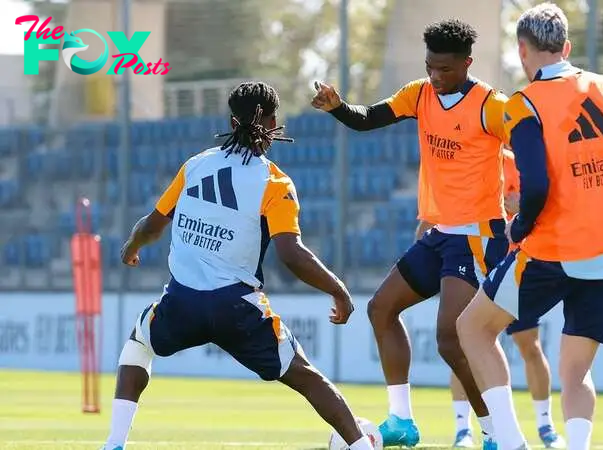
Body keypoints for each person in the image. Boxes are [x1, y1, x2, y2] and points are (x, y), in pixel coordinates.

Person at [100, 81, 373, 450]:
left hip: (181, 303)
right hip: (237, 308)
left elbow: (152, 223)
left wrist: (132, 246)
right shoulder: (276, 182)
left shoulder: (196, 166)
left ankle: (115, 444)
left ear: (232, 122)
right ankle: (360, 445)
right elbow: (291, 254)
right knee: (305, 376)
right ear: (276, 122)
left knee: (138, 344)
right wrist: (338, 289)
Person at [456, 3, 603, 450]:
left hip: (553, 249)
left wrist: (519, 226)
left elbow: (534, 184)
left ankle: (512, 441)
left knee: (473, 329)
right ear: (567, 47)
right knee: (576, 372)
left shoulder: (524, 104)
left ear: (523, 50)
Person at [311, 19, 508, 449]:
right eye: (430, 67)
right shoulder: (419, 94)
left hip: (476, 236)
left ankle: (497, 434)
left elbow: (528, 141)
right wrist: (338, 107)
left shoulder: (491, 105)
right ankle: (401, 421)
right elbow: (368, 119)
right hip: (439, 233)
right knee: (381, 309)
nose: (436, 76)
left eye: (445, 69)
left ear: (467, 63)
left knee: (452, 338)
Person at [440, 148, 564, 449]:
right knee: (465, 345)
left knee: (529, 346)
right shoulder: (469, 161)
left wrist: (519, 207)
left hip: (516, 264)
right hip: (477, 260)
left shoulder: (518, 162)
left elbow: (541, 203)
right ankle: (464, 430)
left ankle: (545, 425)